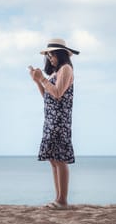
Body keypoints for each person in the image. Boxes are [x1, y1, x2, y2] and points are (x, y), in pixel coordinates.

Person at [29, 38, 79, 209]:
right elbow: (48, 96)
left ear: (60, 54)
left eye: (52, 54)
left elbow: (57, 93)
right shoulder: (55, 73)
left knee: (60, 159)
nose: (50, 57)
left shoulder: (66, 69)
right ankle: (58, 198)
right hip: (51, 119)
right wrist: (37, 81)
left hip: (59, 121)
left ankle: (63, 200)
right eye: (48, 55)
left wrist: (42, 79)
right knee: (53, 159)